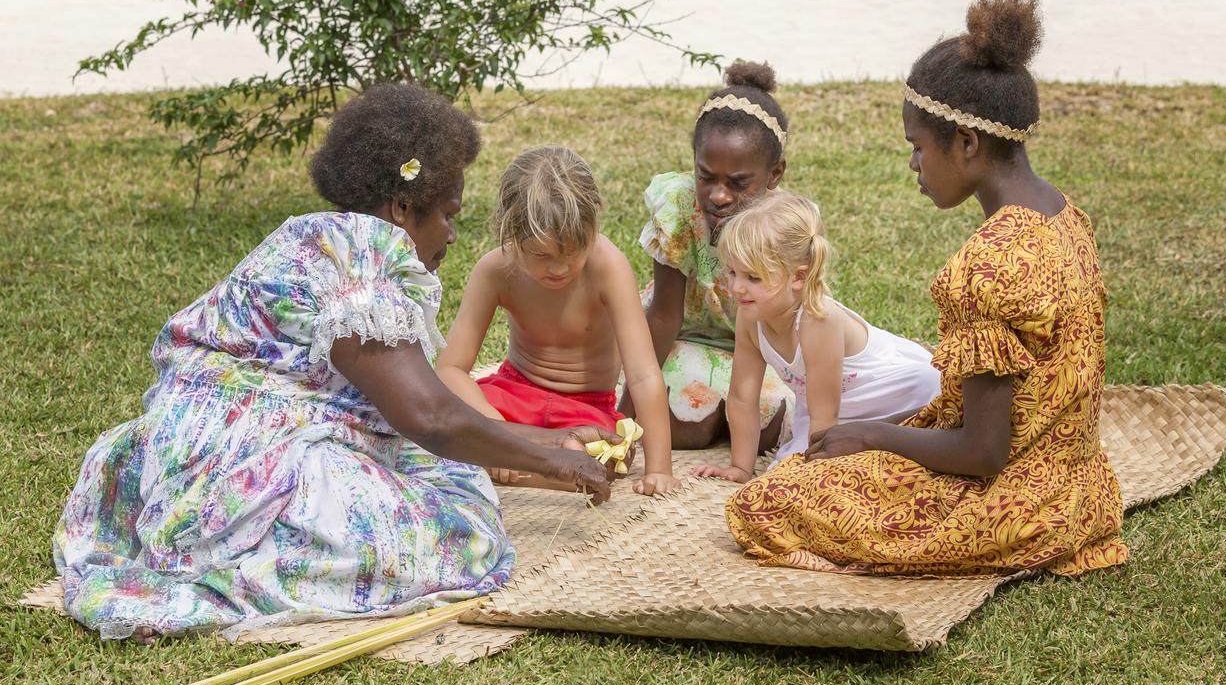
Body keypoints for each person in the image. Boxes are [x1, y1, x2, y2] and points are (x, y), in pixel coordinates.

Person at [53, 84, 613, 644]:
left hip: (187, 447)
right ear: (401, 208)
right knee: (457, 536)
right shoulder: (359, 261)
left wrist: (544, 442)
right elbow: (430, 417)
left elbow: (422, 410)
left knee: (448, 474)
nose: (451, 233)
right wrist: (553, 462)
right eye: (447, 213)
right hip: (238, 463)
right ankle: (247, 558)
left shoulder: (322, 236)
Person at [726, 0, 1129, 577]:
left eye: (917, 147)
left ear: (966, 144)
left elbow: (982, 453)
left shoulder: (986, 267)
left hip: (1020, 505)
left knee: (766, 503)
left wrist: (868, 435)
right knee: (829, 462)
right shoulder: (1067, 218)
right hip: (1079, 484)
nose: (913, 164)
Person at [436, 146, 678, 496]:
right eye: (541, 255)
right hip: (512, 397)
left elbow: (642, 373)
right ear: (511, 235)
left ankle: (509, 463)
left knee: (603, 458)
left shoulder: (607, 266)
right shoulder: (495, 270)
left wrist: (660, 469)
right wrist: (496, 428)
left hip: (584, 410)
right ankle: (529, 462)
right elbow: (450, 370)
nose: (559, 268)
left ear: (592, 231)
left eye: (572, 252)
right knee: (446, 417)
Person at [690, 191, 939, 482]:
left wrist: (811, 479)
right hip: (838, 411)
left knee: (823, 474)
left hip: (898, 395)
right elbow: (743, 397)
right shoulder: (749, 316)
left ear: (798, 277)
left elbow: (825, 415)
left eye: (753, 278)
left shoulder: (816, 320)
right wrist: (741, 468)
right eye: (732, 273)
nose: (737, 288)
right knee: (780, 473)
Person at [624, 61, 794, 451]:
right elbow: (666, 315)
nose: (719, 196)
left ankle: (726, 416)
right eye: (706, 176)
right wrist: (625, 417)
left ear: (774, 174)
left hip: (756, 347)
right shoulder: (681, 208)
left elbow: (788, 322)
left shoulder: (780, 225)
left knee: (770, 430)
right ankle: (713, 419)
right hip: (686, 338)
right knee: (685, 429)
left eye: (738, 183)